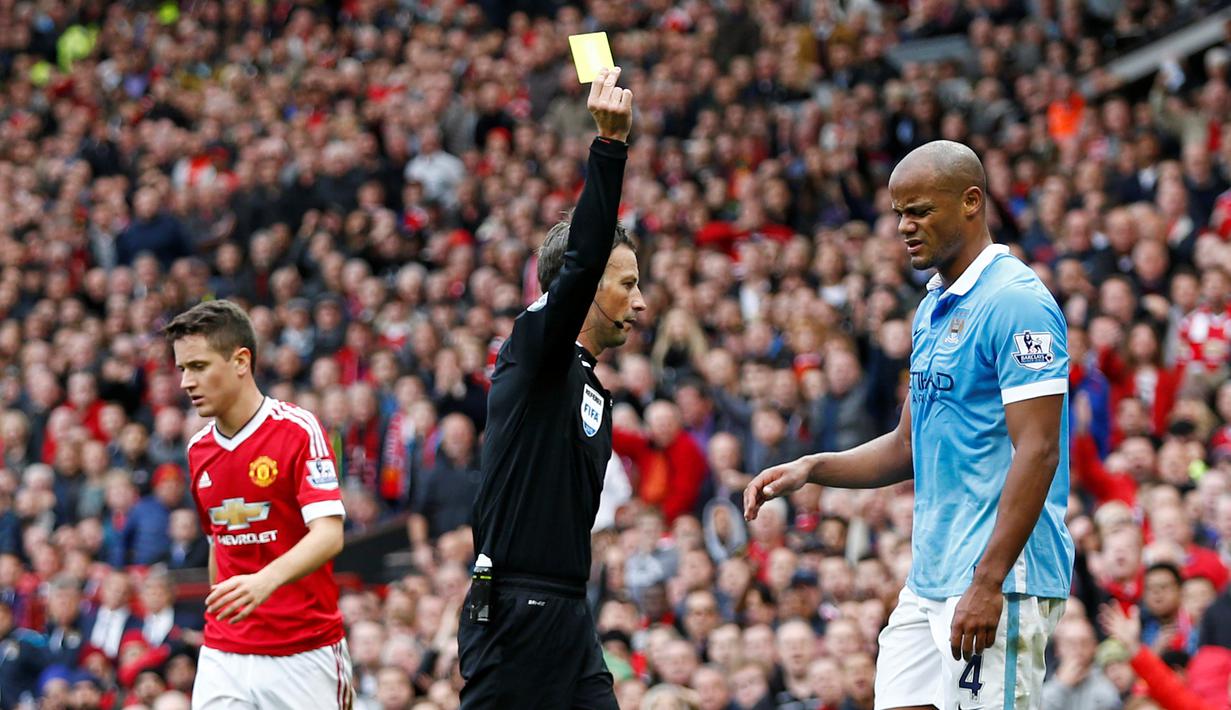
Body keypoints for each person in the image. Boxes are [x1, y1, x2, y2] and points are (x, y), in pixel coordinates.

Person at [745, 140, 1074, 710]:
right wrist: (813, 467)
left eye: (919, 210)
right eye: (899, 212)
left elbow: (1039, 449)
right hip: (930, 580)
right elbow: (906, 444)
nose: (904, 226)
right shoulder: (932, 306)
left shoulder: (1017, 302)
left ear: (972, 202)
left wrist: (988, 582)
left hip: (999, 580)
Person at [459, 66, 641, 708]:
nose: (640, 302)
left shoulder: (593, 385)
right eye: (627, 284)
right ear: (582, 288)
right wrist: (609, 148)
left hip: (567, 612)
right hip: (515, 612)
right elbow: (584, 259)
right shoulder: (534, 349)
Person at [164, 300, 354, 709]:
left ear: (240, 361)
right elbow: (219, 540)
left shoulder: (298, 430)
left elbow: (329, 534)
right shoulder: (198, 450)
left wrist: (264, 581)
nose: (185, 382)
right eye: (181, 369)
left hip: (302, 652)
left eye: (198, 366)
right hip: (224, 653)